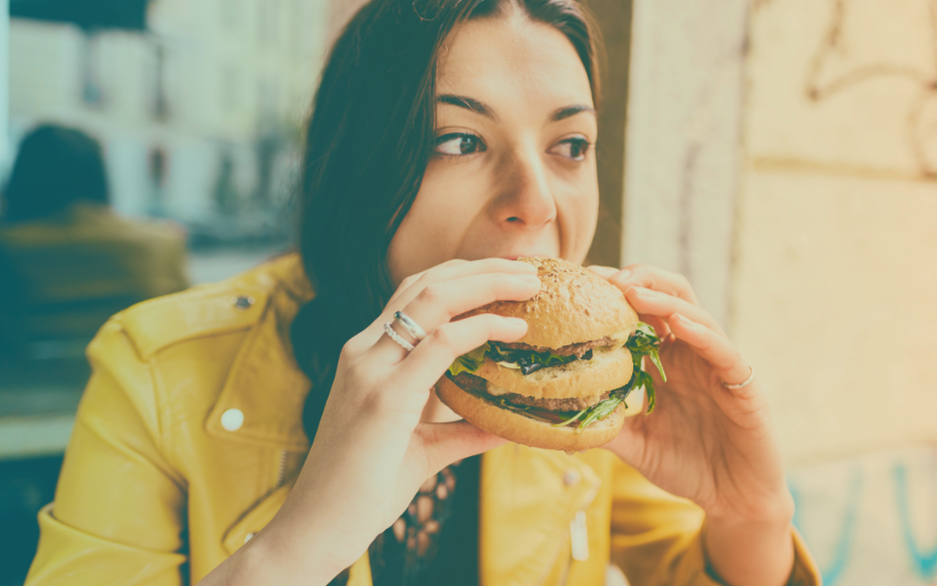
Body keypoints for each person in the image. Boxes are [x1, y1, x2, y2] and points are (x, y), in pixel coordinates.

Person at [25, 1, 820, 585]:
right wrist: (301, 542)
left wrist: (749, 517)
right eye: (459, 140)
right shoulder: (154, 368)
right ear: (359, 167)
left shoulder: (576, 389)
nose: (537, 201)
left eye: (570, 146)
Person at [0, 124, 189, 351]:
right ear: (100, 175)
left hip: (19, 384)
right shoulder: (162, 243)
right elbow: (185, 326)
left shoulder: (10, 248)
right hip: (132, 382)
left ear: (23, 178)